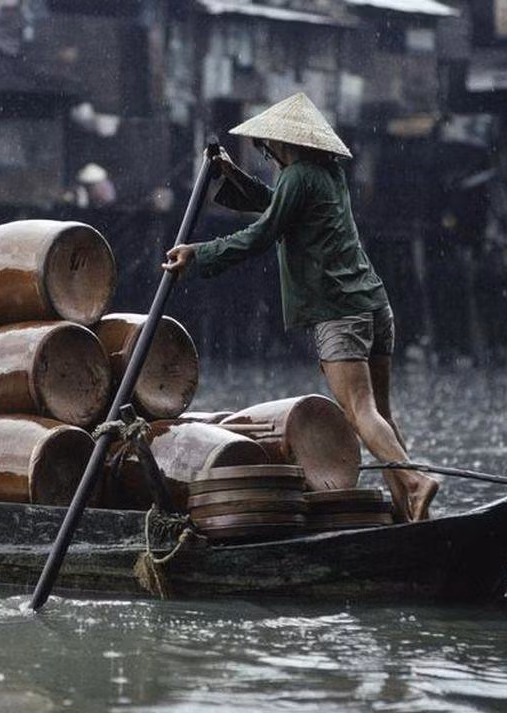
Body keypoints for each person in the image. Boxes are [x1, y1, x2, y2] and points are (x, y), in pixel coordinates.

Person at [163, 92, 438, 521]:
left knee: (360, 412)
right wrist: (231, 175)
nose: (267, 154)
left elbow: (262, 233)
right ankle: (409, 510)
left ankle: (416, 481)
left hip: (339, 309)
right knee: (380, 413)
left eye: (267, 148)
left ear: (279, 144)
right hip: (374, 304)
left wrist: (197, 253)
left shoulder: (297, 178)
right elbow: (278, 206)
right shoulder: (327, 174)